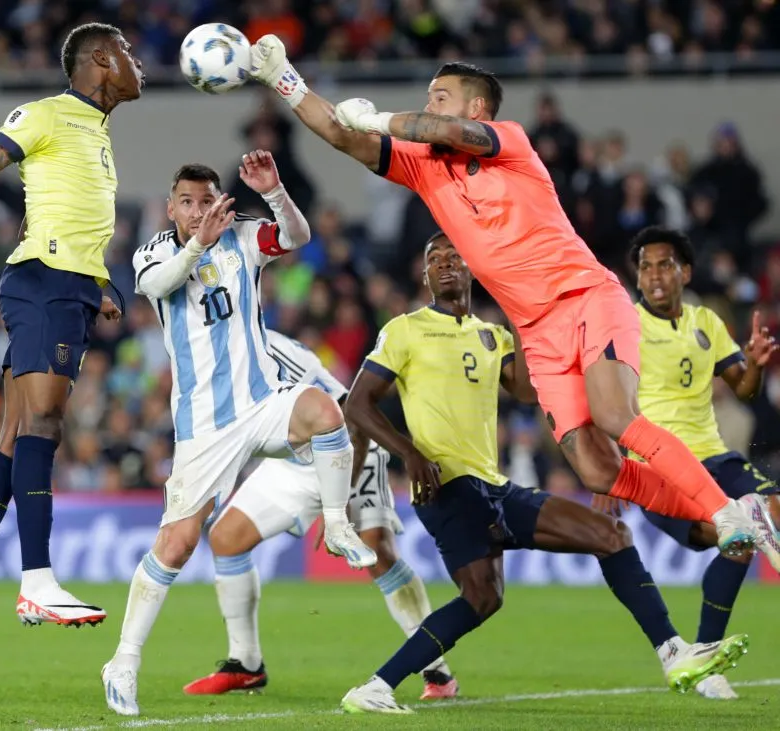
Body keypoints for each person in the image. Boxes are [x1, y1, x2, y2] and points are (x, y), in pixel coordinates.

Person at [245, 38, 767, 560]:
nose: (431, 105)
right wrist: (283, 79)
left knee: (614, 416)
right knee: (596, 467)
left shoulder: (507, 142)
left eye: (441, 95)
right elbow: (341, 134)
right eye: (429, 96)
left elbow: (445, 131)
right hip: (537, 332)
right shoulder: (425, 167)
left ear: (477, 108)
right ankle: (728, 509)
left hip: (585, 297)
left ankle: (724, 512)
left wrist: (381, 119)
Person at [337, 233, 749, 714]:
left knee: (603, 538)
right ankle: (377, 686)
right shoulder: (404, 330)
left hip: (491, 484)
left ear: (472, 271)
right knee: (483, 596)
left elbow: (532, 392)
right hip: (446, 487)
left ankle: (672, 652)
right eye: (434, 259)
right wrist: (407, 453)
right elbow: (358, 404)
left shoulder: (492, 335)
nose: (446, 263)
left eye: (455, 256)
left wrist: (521, 313)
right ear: (424, 276)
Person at [101, 154, 375, 716]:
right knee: (177, 544)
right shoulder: (153, 251)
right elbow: (162, 283)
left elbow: (296, 236)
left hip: (262, 402)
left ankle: (339, 523)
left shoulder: (244, 237)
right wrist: (199, 243)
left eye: (207, 201)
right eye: (187, 202)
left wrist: (275, 193)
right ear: (172, 206)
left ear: (220, 202)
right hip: (204, 425)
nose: (198, 211)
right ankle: (124, 661)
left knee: (326, 410)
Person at [0, 22, 145, 657]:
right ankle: (37, 580)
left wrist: (99, 283)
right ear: (101, 60)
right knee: (44, 424)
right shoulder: (45, 115)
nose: (137, 63)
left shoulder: (97, 132)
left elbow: (74, 223)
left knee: (18, 440)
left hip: (69, 287)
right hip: (41, 283)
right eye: (127, 52)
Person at [182, 329, 457, 701]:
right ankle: (245, 664)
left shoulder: (270, 349)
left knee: (378, 554)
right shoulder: (213, 358)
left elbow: (352, 416)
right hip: (291, 464)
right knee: (226, 539)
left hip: (346, 451)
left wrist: (338, 502)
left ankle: (436, 672)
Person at [591, 226, 780, 700]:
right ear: (637, 277)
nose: (654, 275)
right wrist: (604, 469)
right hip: (657, 468)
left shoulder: (707, 322)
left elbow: (743, 389)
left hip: (715, 456)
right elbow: (603, 399)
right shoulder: (625, 328)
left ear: (685, 272)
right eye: (646, 266)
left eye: (665, 264)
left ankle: (708, 660)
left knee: (763, 520)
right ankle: (709, 652)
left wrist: (755, 364)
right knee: (734, 537)